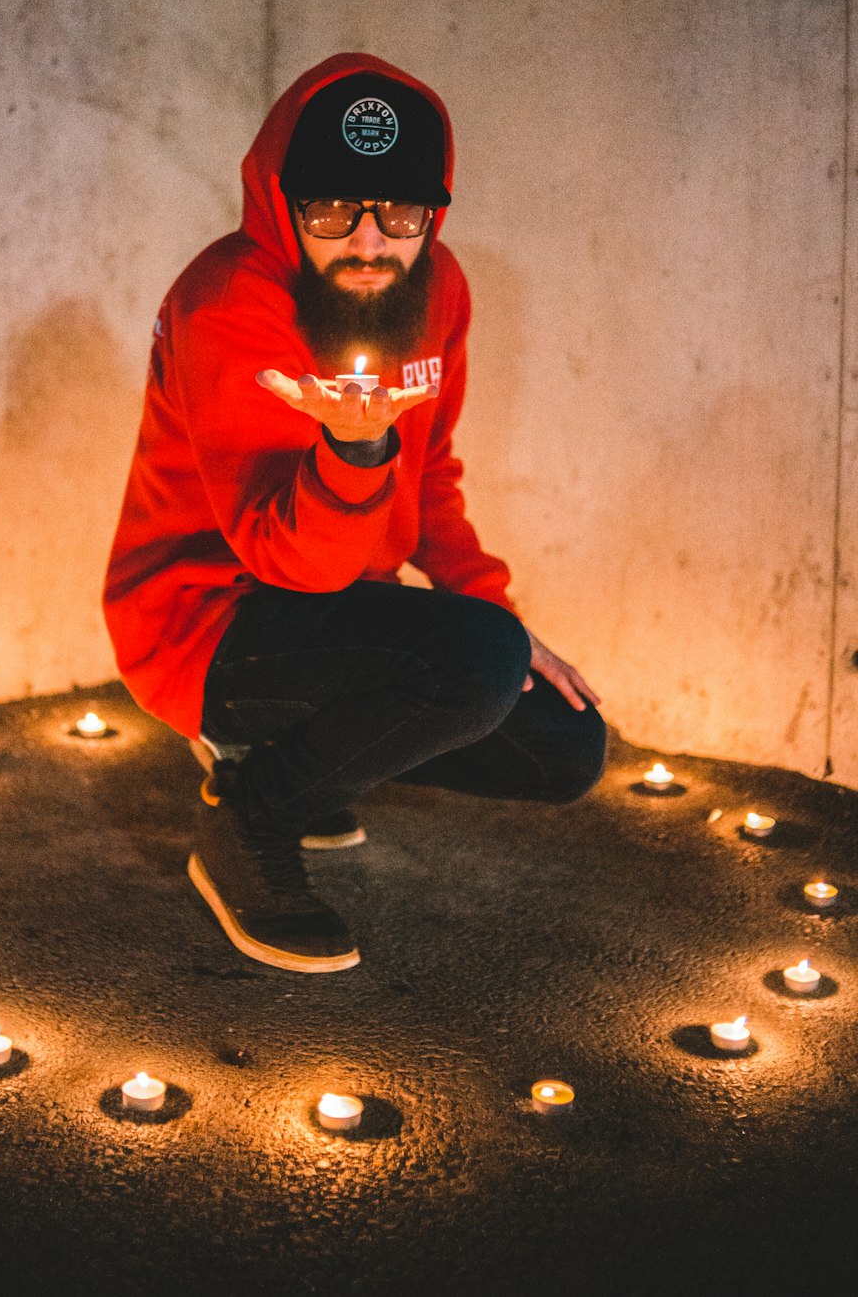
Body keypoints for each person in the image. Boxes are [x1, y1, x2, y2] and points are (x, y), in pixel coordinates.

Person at [104, 52, 605, 974]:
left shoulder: (439, 288)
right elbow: (291, 564)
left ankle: (285, 749)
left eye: (401, 215)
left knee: (565, 748)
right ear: (284, 203)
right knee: (474, 662)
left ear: (432, 214)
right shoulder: (229, 304)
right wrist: (356, 449)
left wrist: (491, 609)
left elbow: (435, 473)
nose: (370, 244)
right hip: (206, 621)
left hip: (331, 608)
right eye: (334, 212)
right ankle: (251, 813)